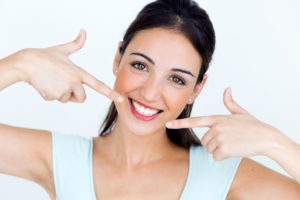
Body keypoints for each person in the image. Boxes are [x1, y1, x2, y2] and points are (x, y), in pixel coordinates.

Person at [0, 0, 300, 199]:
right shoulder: (61, 160)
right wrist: (20, 65)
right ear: (118, 58)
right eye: (140, 65)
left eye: (176, 79)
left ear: (197, 88)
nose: (150, 93)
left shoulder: (224, 175)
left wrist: (275, 143)